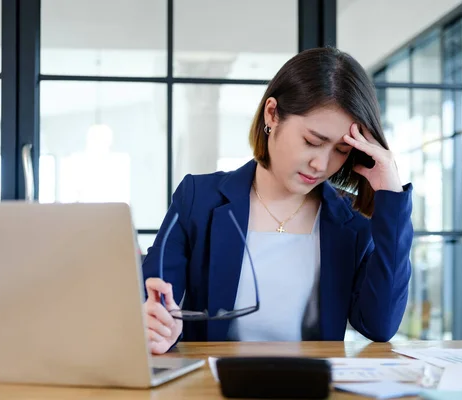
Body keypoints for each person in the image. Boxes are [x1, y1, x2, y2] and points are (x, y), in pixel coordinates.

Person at [141, 47, 413, 355]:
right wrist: (158, 324)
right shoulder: (198, 198)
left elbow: (379, 325)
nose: (321, 165)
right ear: (272, 114)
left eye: (341, 150)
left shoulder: (351, 219)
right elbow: (152, 295)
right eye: (312, 141)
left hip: (312, 386)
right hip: (214, 385)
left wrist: (391, 197)